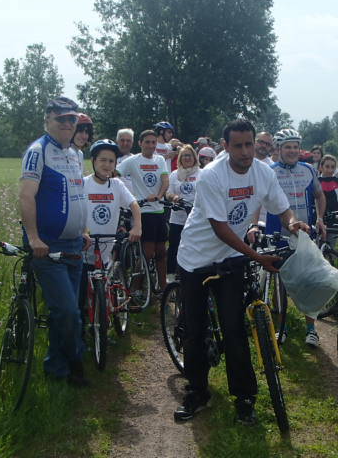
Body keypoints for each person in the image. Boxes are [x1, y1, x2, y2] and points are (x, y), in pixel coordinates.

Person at [173, 118, 309, 424]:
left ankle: (245, 397)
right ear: (226, 146)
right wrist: (257, 257)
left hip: (232, 257)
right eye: (239, 146)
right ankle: (197, 391)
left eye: (250, 144)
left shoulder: (263, 172)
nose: (246, 152)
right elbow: (220, 228)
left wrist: (292, 222)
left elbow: (281, 207)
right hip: (196, 258)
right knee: (194, 333)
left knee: (235, 330)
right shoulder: (211, 176)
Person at [19, 96, 89, 386]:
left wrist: (83, 231)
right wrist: (33, 237)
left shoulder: (75, 154)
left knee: (70, 311)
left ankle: (56, 367)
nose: (67, 124)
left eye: (71, 119)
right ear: (47, 119)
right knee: (67, 311)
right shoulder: (38, 151)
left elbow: (77, 195)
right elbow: (26, 196)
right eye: (61, 118)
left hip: (74, 245)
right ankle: (73, 363)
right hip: (47, 246)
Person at [257, 128, 327, 347]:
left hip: (304, 232)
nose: (292, 150)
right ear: (279, 148)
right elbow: (258, 201)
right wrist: (254, 225)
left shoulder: (308, 170)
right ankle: (282, 326)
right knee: (281, 282)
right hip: (277, 232)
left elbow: (319, 195)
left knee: (308, 281)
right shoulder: (270, 170)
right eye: (287, 146)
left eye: (296, 146)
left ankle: (311, 329)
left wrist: (321, 219)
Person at [80, 139, 142, 319]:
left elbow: (134, 205)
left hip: (106, 246)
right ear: (93, 161)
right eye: (102, 160)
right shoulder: (83, 184)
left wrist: (137, 226)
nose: (107, 165)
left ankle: (104, 319)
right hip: (85, 247)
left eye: (111, 161)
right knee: (81, 295)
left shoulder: (116, 185)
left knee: (104, 286)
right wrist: (83, 231)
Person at [117, 130, 170, 292]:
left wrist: (159, 195)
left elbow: (165, 180)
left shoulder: (160, 159)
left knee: (161, 251)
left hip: (159, 210)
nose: (151, 145)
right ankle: (137, 286)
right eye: (147, 142)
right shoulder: (132, 161)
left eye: (154, 142)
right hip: (144, 212)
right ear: (140, 143)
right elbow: (115, 173)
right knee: (147, 252)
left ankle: (163, 286)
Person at [165, 145, 199, 276]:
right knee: (174, 247)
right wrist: (173, 197)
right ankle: (171, 276)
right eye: (184, 155)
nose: (187, 158)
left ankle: (191, 274)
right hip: (177, 218)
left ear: (194, 158)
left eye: (189, 155)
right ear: (180, 158)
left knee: (193, 248)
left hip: (195, 218)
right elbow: (168, 193)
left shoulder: (201, 173)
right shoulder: (174, 174)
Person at [318, 154, 338, 249]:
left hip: (335, 219)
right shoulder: (316, 182)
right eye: (327, 166)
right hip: (320, 218)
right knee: (318, 246)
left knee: (331, 247)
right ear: (321, 167)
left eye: (333, 167)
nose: (330, 170)